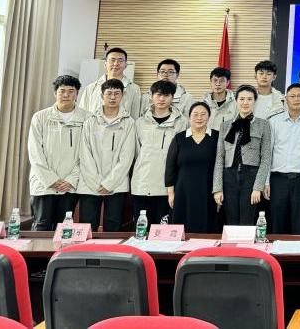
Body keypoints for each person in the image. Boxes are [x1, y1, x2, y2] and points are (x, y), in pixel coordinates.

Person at [28, 75, 90, 231]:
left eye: (71, 91)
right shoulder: (40, 117)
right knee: (41, 226)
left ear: (77, 94)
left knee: (63, 228)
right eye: (62, 91)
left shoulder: (87, 118)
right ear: (55, 93)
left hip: (70, 184)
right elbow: (35, 152)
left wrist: (71, 179)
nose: (66, 95)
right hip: (43, 183)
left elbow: (88, 154)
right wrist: (51, 179)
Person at [77, 79, 136, 231]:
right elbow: (84, 154)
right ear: (102, 96)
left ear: (122, 96)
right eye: (109, 93)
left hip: (117, 184)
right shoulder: (90, 121)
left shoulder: (129, 122)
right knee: (86, 227)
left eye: (117, 93)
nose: (112, 97)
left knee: (113, 227)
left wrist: (109, 183)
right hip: (90, 184)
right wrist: (96, 182)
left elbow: (127, 156)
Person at [263, 84, 300, 235]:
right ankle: (277, 251)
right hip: (278, 180)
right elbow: (268, 153)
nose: (296, 99)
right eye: (292, 96)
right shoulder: (274, 122)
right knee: (277, 223)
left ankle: (299, 252)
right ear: (286, 99)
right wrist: (266, 181)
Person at [213, 85, 273, 225]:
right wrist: (217, 188)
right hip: (229, 176)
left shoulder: (264, 125)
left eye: (249, 99)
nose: (245, 102)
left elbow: (266, 158)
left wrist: (258, 187)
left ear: (255, 101)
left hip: (251, 176)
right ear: (236, 101)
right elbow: (219, 158)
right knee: (231, 220)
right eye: (242, 99)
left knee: (247, 220)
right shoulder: (225, 126)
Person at [131, 80, 187, 224]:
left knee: (163, 231)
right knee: (142, 229)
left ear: (172, 97)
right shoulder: (140, 122)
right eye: (158, 95)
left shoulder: (182, 123)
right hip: (142, 184)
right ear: (151, 96)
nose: (161, 99)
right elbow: (135, 153)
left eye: (166, 95)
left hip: (167, 188)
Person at [166, 102, 219, 233]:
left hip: (209, 191)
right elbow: (170, 167)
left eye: (203, 114)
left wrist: (219, 191)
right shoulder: (179, 138)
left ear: (209, 117)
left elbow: (222, 166)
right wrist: (171, 194)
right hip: (183, 191)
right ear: (189, 117)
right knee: (182, 228)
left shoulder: (217, 137)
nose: (199, 118)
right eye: (195, 114)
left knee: (208, 227)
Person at [78, 47, 141, 118]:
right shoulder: (91, 88)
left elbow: (135, 116)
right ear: (105, 64)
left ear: (125, 65)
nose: (116, 64)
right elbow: (82, 114)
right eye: (112, 60)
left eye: (120, 60)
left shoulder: (134, 89)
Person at [203, 67, 237, 131]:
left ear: (227, 83)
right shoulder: (203, 103)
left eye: (221, 81)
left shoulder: (236, 104)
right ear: (211, 82)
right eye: (215, 80)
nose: (218, 84)